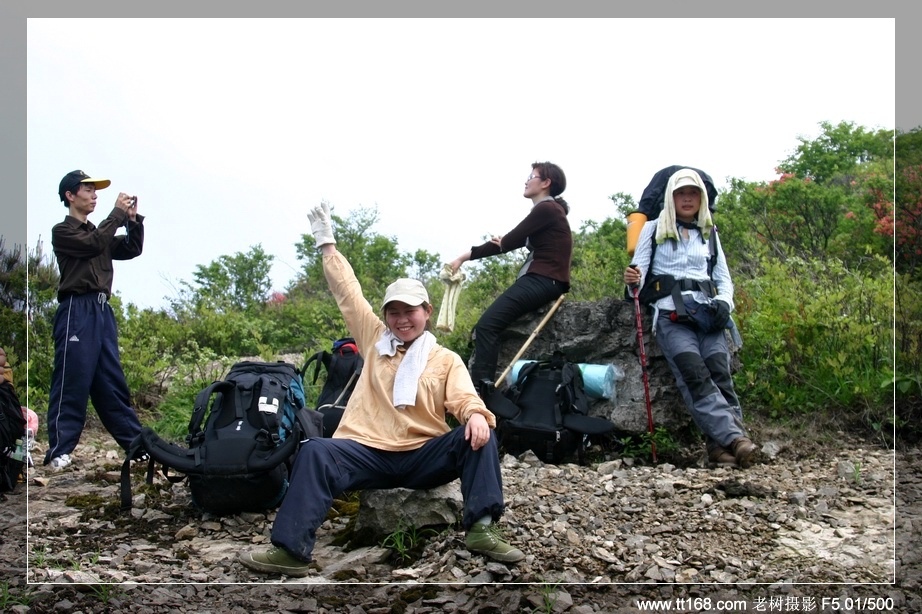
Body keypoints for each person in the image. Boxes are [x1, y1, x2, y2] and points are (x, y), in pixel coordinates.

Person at [238, 203, 524, 577]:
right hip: (367, 452)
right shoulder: (375, 339)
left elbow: (464, 398)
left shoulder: (444, 358)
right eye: (394, 312)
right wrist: (327, 244)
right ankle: (290, 551)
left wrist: (474, 416)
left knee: (481, 434)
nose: (402, 320)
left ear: (427, 310)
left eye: (410, 311)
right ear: (386, 316)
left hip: (422, 455)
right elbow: (348, 293)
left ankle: (482, 529)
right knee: (316, 451)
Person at [623, 168, 759, 468]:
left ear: (702, 198)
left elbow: (723, 277)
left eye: (693, 193)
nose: (687, 198)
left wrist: (725, 302)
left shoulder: (709, 233)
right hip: (671, 315)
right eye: (680, 193)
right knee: (694, 374)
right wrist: (632, 278)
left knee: (719, 374)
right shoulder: (653, 229)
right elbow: (639, 272)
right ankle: (737, 440)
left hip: (709, 314)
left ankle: (719, 448)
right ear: (670, 198)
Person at [43, 170, 146, 470]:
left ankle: (136, 444)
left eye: (95, 190)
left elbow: (130, 248)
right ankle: (59, 450)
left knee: (111, 382)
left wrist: (132, 220)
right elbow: (92, 245)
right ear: (70, 196)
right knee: (72, 378)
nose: (94, 194)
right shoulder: (63, 232)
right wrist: (116, 215)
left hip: (102, 312)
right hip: (77, 308)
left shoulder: (97, 233)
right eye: (87, 189)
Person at [449, 161, 572, 391]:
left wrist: (503, 240)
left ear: (546, 183)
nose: (527, 180)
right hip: (546, 280)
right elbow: (506, 243)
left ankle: (480, 393)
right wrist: (462, 258)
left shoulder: (547, 209)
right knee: (488, 325)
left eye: (532, 176)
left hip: (544, 279)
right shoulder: (547, 212)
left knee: (486, 326)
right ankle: (481, 392)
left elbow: (508, 242)